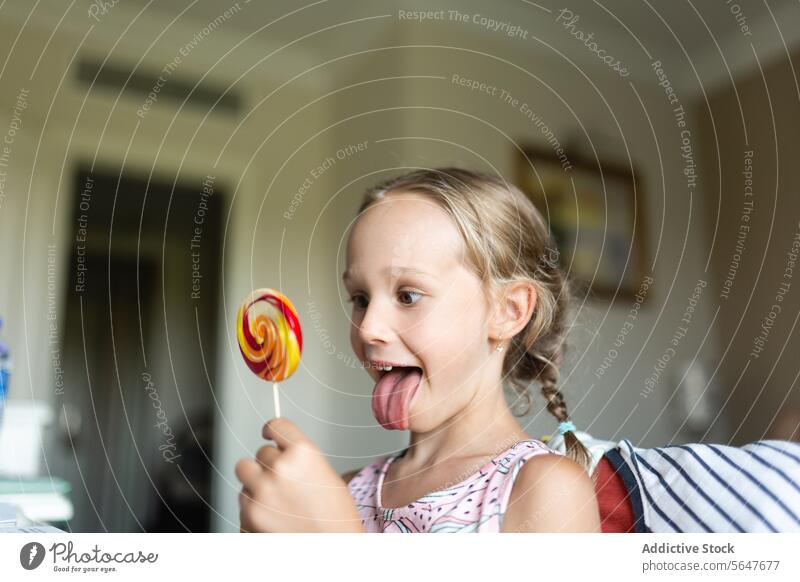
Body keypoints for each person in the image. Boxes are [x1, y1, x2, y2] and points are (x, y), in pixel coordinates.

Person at [236, 167, 602, 532]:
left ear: (509, 311)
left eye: (408, 296)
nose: (369, 328)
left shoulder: (545, 491)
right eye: (360, 299)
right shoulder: (345, 492)